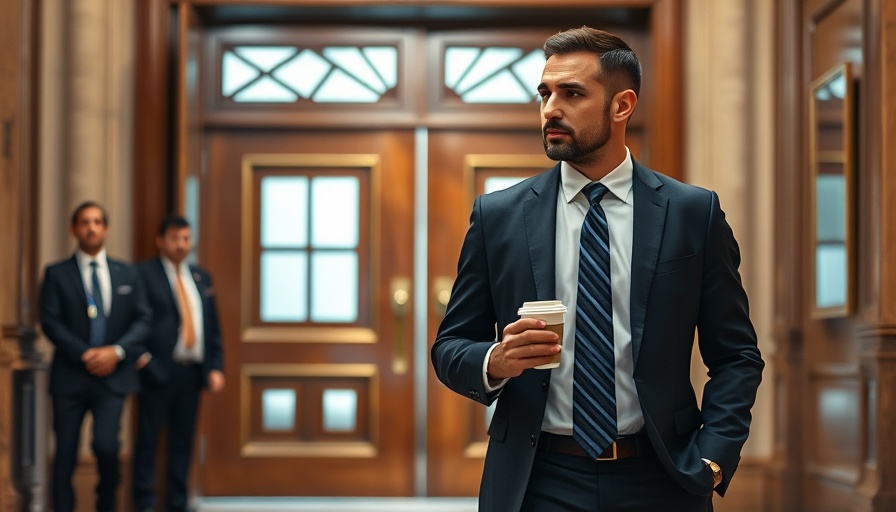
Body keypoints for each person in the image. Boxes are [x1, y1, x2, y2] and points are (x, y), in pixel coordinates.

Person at [431, 26, 764, 512]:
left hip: (663, 476)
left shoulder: (694, 213)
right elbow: (449, 346)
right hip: (536, 478)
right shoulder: (498, 217)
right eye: (544, 93)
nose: (550, 109)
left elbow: (736, 355)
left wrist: (712, 458)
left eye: (572, 93)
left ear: (622, 106)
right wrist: (495, 361)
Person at [39, 201, 151, 512]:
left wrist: (115, 352)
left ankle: (107, 506)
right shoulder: (56, 273)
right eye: (85, 222)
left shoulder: (127, 273)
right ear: (74, 229)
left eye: (98, 222)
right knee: (65, 454)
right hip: (70, 377)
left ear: (106, 228)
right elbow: (50, 321)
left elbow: (143, 319)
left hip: (113, 378)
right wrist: (85, 354)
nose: (91, 227)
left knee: (106, 447)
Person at [132, 214, 224, 512]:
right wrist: (144, 361)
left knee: (182, 443)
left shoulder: (200, 276)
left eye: (186, 238)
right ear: (160, 241)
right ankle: (144, 503)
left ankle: (177, 502)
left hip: (192, 372)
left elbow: (212, 327)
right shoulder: (143, 274)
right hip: (157, 371)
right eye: (175, 238)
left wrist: (215, 366)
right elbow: (133, 321)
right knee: (148, 442)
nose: (181, 245)